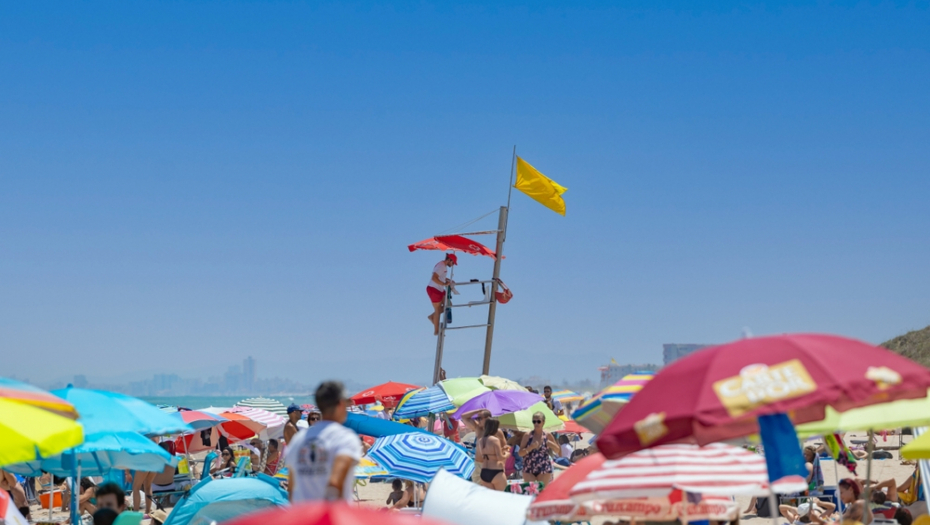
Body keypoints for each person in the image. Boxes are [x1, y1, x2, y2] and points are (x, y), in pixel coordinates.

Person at [285, 380, 362, 502]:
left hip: (302, 516)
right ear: (341, 404)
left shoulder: (298, 440)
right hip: (330, 517)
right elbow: (335, 484)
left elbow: (292, 489)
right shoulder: (345, 438)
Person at [518, 411, 559, 484]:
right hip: (529, 467)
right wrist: (530, 448)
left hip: (544, 467)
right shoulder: (527, 435)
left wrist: (551, 444)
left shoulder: (547, 435)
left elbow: (557, 450)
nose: (536, 423)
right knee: (530, 491)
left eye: (538, 421)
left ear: (543, 422)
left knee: (542, 491)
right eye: (534, 421)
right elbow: (520, 453)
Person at [427, 253, 457, 335]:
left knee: (449, 304)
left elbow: (440, 277)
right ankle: (436, 331)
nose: (453, 265)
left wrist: (448, 280)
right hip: (434, 289)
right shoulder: (441, 266)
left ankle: (432, 317)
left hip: (439, 289)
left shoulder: (443, 266)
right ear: (450, 260)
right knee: (437, 309)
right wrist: (444, 284)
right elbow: (434, 278)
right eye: (453, 262)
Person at [476, 418, 508, 491]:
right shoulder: (495, 440)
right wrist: (506, 454)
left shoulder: (480, 440)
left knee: (491, 498)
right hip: (496, 472)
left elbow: (485, 455)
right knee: (503, 497)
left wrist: (502, 450)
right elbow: (500, 458)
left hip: (484, 472)